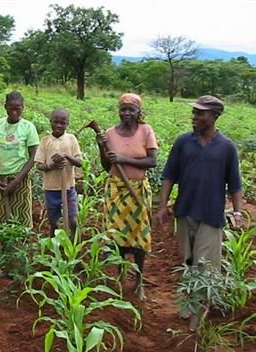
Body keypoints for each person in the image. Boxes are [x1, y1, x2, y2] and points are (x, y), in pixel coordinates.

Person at [156, 95, 244, 270]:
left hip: (211, 214)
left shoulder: (227, 147)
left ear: (214, 116)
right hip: (184, 210)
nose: (194, 117)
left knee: (206, 266)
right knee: (186, 262)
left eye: (200, 113)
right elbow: (169, 176)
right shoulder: (183, 142)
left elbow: (234, 184)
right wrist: (162, 206)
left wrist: (238, 213)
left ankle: (205, 297)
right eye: (194, 112)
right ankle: (190, 297)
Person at [96, 93, 158, 300]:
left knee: (139, 239)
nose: (127, 113)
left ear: (139, 111)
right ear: (119, 111)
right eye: (123, 109)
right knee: (117, 238)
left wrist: (123, 158)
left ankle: (139, 281)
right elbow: (107, 166)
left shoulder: (146, 131)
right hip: (116, 190)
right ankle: (121, 277)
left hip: (138, 190)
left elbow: (152, 161)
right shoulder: (110, 134)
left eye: (131, 109)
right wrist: (101, 147)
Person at [0, 91, 39, 228]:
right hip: (0, 180)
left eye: (18, 108)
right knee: (1, 216)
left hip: (20, 177)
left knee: (21, 216)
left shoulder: (28, 127)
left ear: (23, 107)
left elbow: (34, 155)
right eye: (11, 108)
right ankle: (5, 247)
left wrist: (17, 180)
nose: (15, 112)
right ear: (5, 106)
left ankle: (21, 247)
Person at [35, 108, 82, 236]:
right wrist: (52, 165)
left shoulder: (71, 139)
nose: (59, 126)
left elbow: (79, 162)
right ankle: (53, 244)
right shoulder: (45, 141)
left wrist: (67, 156)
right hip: (51, 188)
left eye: (63, 123)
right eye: (55, 122)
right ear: (50, 121)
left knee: (72, 220)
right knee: (53, 221)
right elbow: (39, 165)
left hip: (68, 187)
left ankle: (73, 244)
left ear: (67, 124)